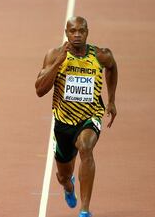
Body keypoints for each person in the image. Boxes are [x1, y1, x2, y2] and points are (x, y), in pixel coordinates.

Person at [35, 16, 118, 217]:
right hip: (64, 121)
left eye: (81, 31)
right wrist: (57, 64)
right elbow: (39, 90)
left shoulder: (100, 55)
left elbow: (112, 67)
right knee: (63, 175)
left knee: (85, 146)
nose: (77, 35)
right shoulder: (54, 54)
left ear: (87, 32)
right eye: (73, 31)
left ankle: (84, 210)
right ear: (66, 32)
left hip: (90, 116)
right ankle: (68, 186)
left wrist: (112, 100)